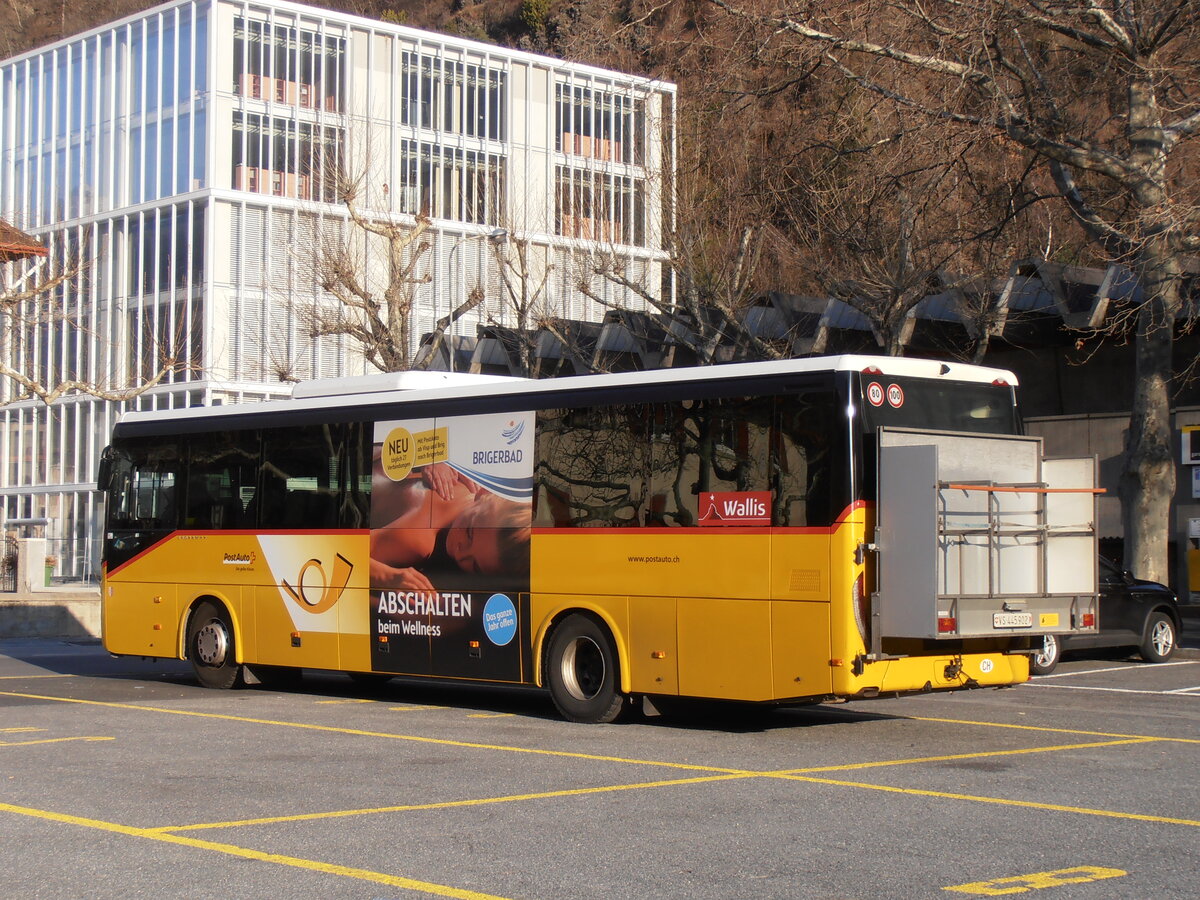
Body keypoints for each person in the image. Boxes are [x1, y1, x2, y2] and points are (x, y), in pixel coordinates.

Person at [370, 462, 530, 591]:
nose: (461, 553)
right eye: (469, 533)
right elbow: (347, 554)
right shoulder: (418, 541)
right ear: (484, 492)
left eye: (475, 565)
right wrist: (386, 576)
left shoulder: (468, 475)